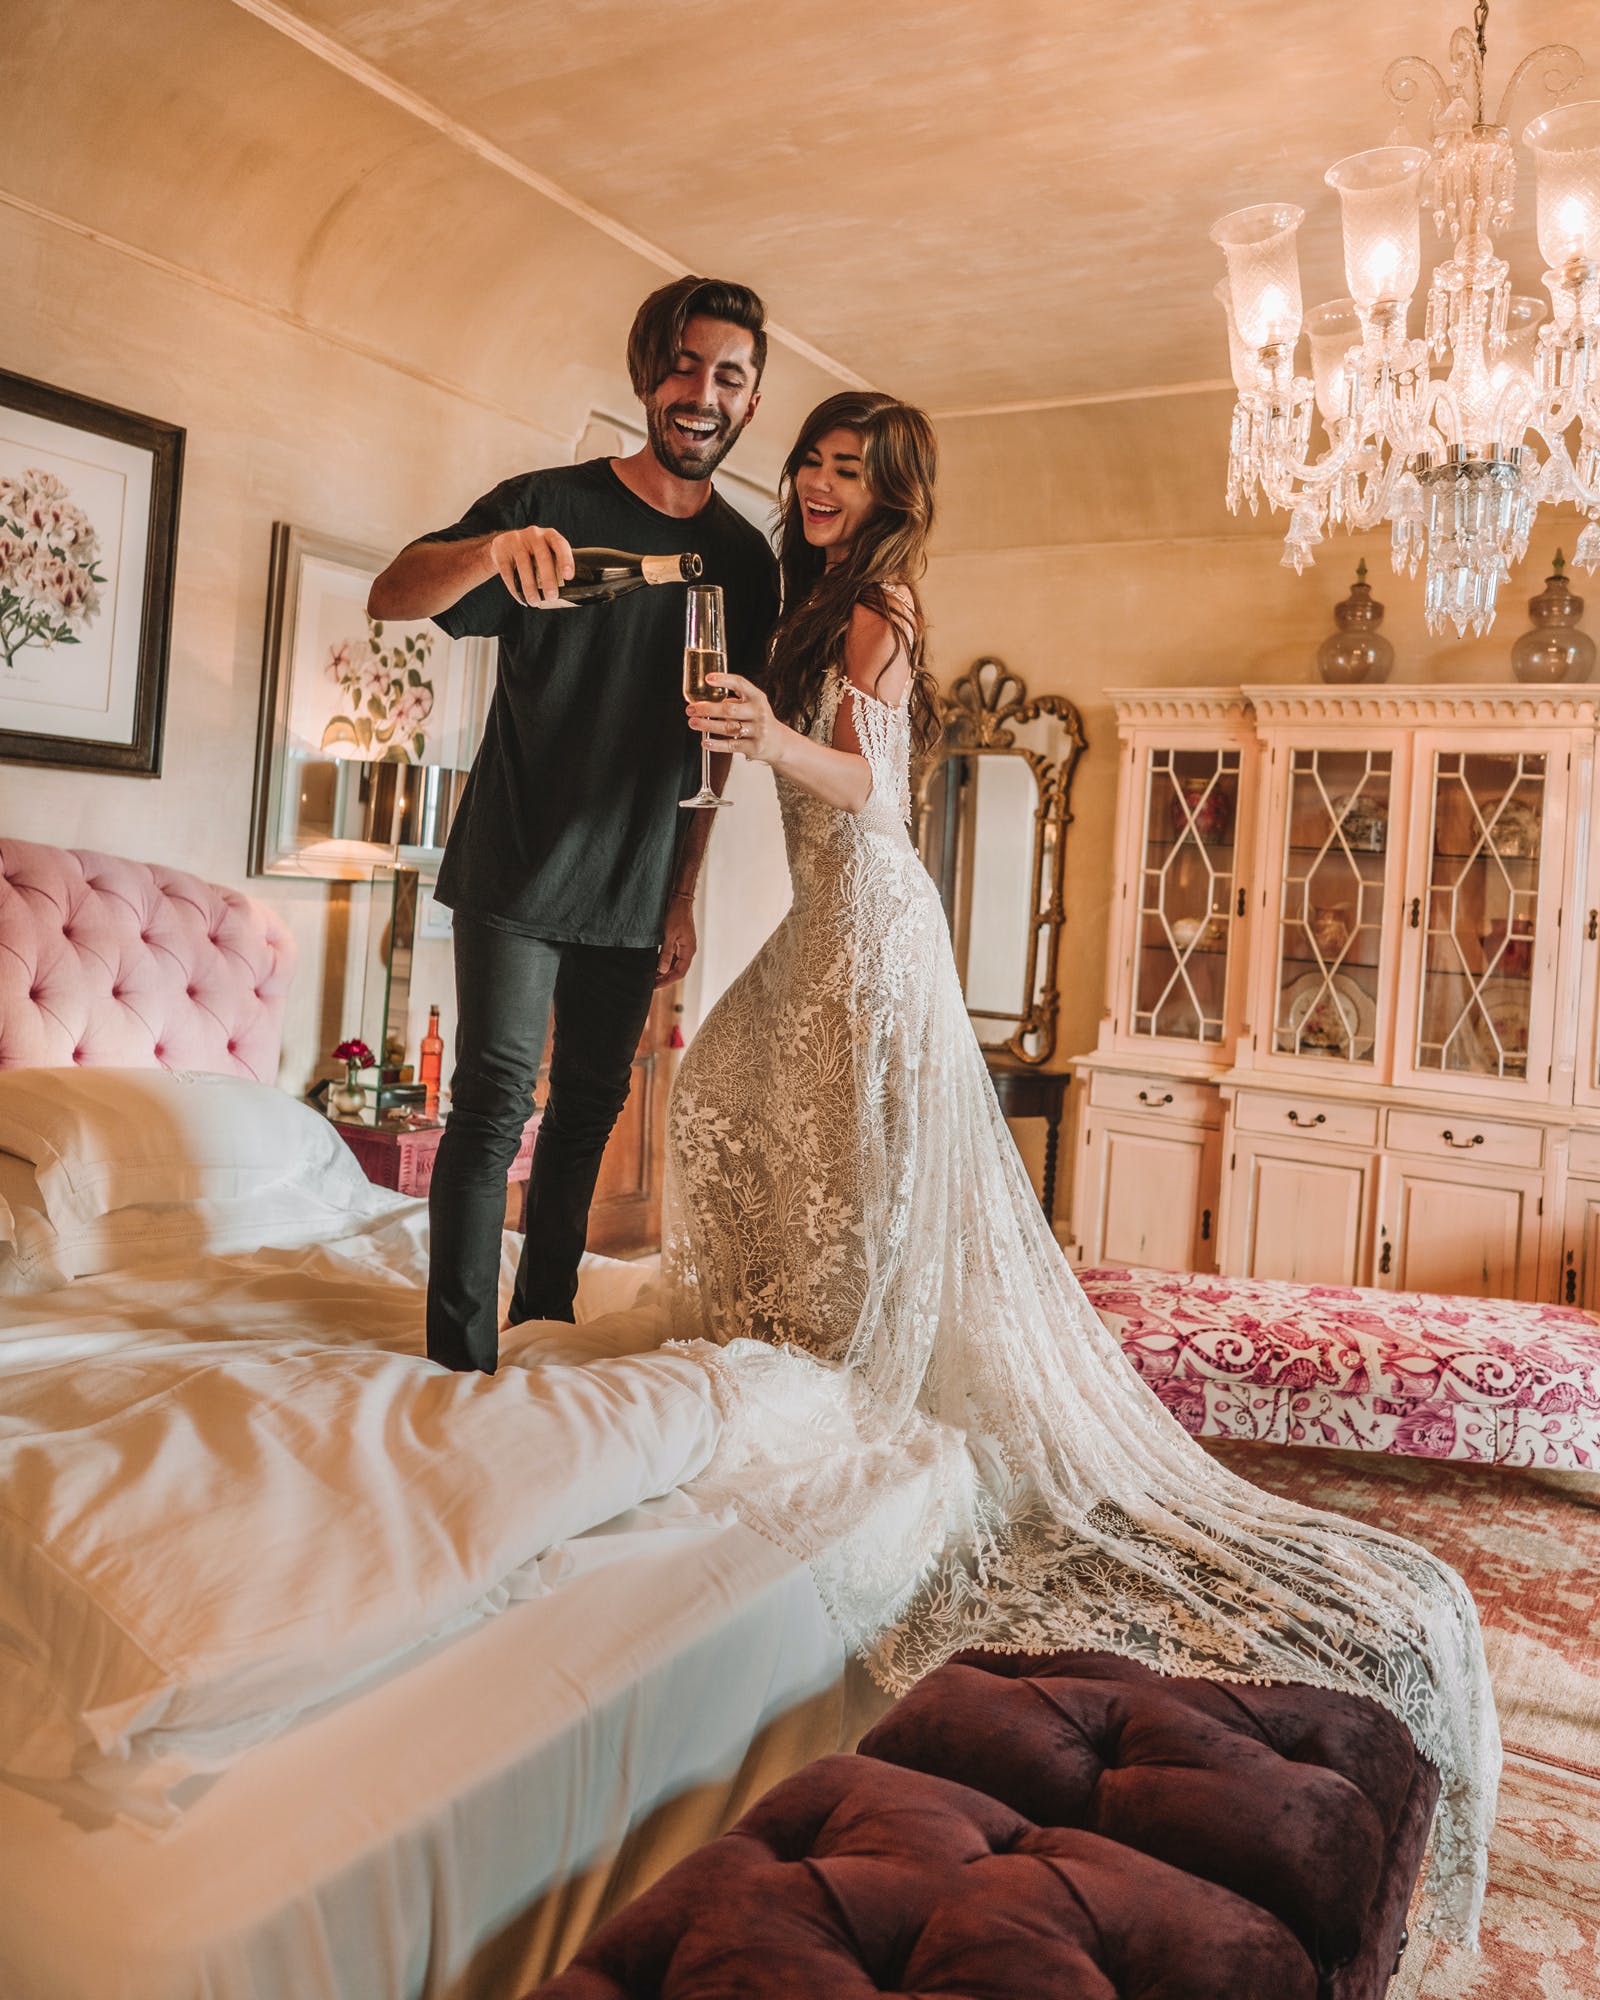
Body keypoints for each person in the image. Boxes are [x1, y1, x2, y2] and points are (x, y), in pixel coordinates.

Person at [664, 388, 1500, 1943]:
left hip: (876, 920)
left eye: (851, 469)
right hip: (829, 923)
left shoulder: (884, 607)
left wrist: (769, 731)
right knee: (728, 1094)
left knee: (863, 1163)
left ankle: (849, 1366)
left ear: (894, 489)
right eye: (814, 463)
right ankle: (792, 1336)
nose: (820, 484)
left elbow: (867, 788)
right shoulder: (803, 596)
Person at [368, 276, 779, 1375]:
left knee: (592, 1103)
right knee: (494, 1103)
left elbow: (721, 743)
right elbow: (393, 592)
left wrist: (684, 891)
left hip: (640, 880)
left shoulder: (747, 560)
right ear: (649, 376)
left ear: (750, 400)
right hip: (514, 863)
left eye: (728, 376)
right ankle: (459, 1358)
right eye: (684, 367)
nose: (702, 393)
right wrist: (491, 555)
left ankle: (540, 1316)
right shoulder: (545, 502)